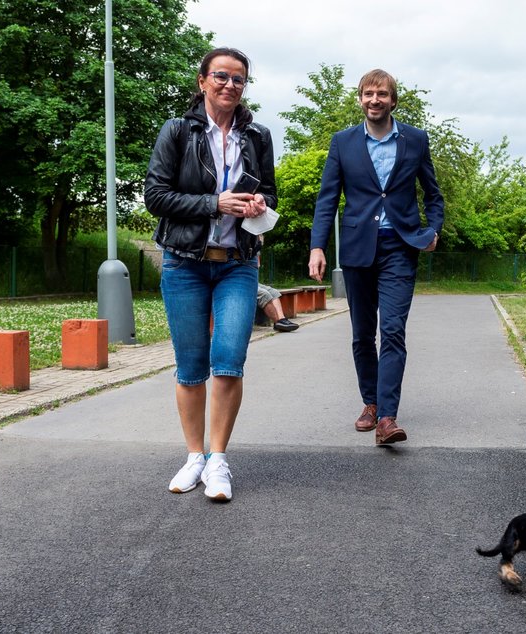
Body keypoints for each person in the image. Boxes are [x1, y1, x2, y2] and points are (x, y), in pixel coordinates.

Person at [144, 47, 277, 501]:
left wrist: (259, 206)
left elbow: (270, 195)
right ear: (202, 81)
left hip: (238, 264)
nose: (229, 85)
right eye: (220, 76)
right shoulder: (177, 131)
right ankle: (193, 456)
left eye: (239, 79)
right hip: (184, 264)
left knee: (228, 360)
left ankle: (218, 460)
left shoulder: (258, 136)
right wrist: (214, 203)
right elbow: (156, 197)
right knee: (190, 367)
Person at [308, 69, 444, 446]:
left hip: (400, 246)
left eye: (382, 94)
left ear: (393, 100)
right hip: (357, 248)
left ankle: (387, 417)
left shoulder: (415, 140)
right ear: (360, 99)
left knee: (394, 330)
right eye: (368, 93)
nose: (374, 99)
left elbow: (433, 194)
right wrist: (318, 246)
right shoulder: (343, 142)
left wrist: (433, 229)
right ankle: (369, 402)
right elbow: (326, 200)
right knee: (362, 334)